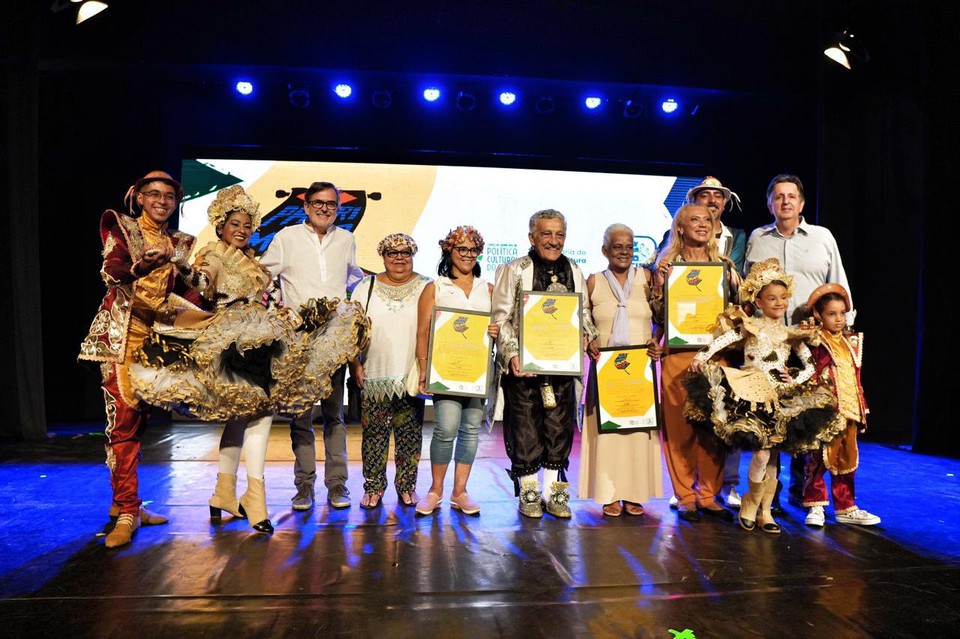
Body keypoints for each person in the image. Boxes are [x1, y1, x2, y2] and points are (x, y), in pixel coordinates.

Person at [130, 185, 369, 534]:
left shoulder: (253, 257)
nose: (241, 230)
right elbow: (202, 279)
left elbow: (270, 287)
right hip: (233, 343)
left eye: (246, 225)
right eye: (234, 224)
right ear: (221, 225)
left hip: (257, 341)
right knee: (260, 417)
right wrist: (182, 264)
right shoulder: (217, 253)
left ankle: (224, 493)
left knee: (246, 418)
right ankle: (256, 497)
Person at [78, 170, 200, 548]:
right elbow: (111, 271)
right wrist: (141, 266)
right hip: (122, 340)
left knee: (140, 421)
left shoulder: (179, 242)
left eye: (169, 196)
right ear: (140, 197)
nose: (162, 201)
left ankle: (124, 505)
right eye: (154, 194)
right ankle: (128, 511)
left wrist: (199, 284)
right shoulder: (124, 228)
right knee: (123, 425)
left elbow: (187, 292)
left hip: (158, 341)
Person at [686, 258, 846, 534]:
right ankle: (750, 503)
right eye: (771, 298)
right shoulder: (750, 326)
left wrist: (793, 377)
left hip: (778, 395)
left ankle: (765, 512)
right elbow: (720, 342)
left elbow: (809, 366)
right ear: (758, 301)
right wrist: (701, 357)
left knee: (772, 455)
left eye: (783, 297)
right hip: (750, 392)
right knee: (761, 453)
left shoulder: (789, 333)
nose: (779, 303)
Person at [745, 174, 856, 506]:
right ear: (769, 204)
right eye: (778, 197)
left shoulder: (822, 237)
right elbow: (749, 291)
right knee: (770, 416)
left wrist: (844, 327)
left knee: (806, 416)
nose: (785, 202)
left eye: (791, 196)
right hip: (772, 343)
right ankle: (769, 495)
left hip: (813, 340)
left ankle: (805, 489)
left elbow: (838, 282)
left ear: (802, 203)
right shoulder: (757, 238)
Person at [260, 181, 365, 511]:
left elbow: (355, 280)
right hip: (298, 342)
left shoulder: (346, 240)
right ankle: (304, 486)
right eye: (318, 203)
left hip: (334, 342)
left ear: (338, 208)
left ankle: (337, 486)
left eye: (331, 204)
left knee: (335, 416)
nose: (324, 208)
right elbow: (263, 276)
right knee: (301, 418)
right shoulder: (286, 238)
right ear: (306, 206)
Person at [491, 209, 598, 519]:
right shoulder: (515, 269)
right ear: (532, 237)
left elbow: (585, 314)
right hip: (524, 369)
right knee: (525, 430)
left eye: (559, 234)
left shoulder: (575, 269)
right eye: (547, 234)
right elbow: (501, 316)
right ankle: (528, 491)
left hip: (561, 366)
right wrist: (512, 354)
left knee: (559, 429)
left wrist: (587, 337)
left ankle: (555, 494)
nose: (554, 241)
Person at [653, 204, 741, 524]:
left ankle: (708, 494)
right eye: (695, 220)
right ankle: (685, 495)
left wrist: (736, 284)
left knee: (713, 428)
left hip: (716, 354)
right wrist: (658, 283)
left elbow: (739, 309)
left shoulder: (725, 264)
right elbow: (656, 313)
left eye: (707, 220)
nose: (702, 225)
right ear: (680, 227)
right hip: (678, 354)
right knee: (679, 429)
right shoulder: (666, 265)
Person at [414, 226, 499, 516]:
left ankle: (459, 492)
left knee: (471, 430)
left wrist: (496, 329)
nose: (467, 255)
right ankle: (435, 490)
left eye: (473, 250)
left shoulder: (488, 289)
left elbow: (502, 326)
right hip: (446, 372)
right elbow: (423, 333)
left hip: (477, 372)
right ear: (448, 251)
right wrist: (424, 370)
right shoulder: (435, 287)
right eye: (461, 249)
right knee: (446, 428)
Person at [580, 224, 663, 517]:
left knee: (637, 435)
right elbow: (581, 321)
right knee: (608, 435)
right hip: (606, 375)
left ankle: (635, 493)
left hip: (639, 372)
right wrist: (588, 340)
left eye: (629, 247)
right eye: (617, 247)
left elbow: (661, 317)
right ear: (605, 250)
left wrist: (656, 338)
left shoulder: (647, 279)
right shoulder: (592, 282)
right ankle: (609, 494)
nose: (624, 252)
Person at [350, 234, 431, 509]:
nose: (399, 257)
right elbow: (351, 330)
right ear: (382, 256)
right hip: (374, 375)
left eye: (405, 252)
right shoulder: (366, 286)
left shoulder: (426, 286)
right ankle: (373, 488)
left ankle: (407, 487)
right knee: (374, 437)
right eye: (392, 252)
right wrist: (356, 364)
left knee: (410, 437)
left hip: (411, 375)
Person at [801, 284, 881, 527]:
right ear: (818, 315)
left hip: (849, 409)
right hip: (825, 411)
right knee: (819, 458)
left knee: (847, 458)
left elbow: (855, 377)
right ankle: (815, 505)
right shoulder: (815, 340)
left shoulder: (850, 342)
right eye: (831, 314)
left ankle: (845, 506)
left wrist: (861, 408)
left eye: (842, 313)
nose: (838, 319)